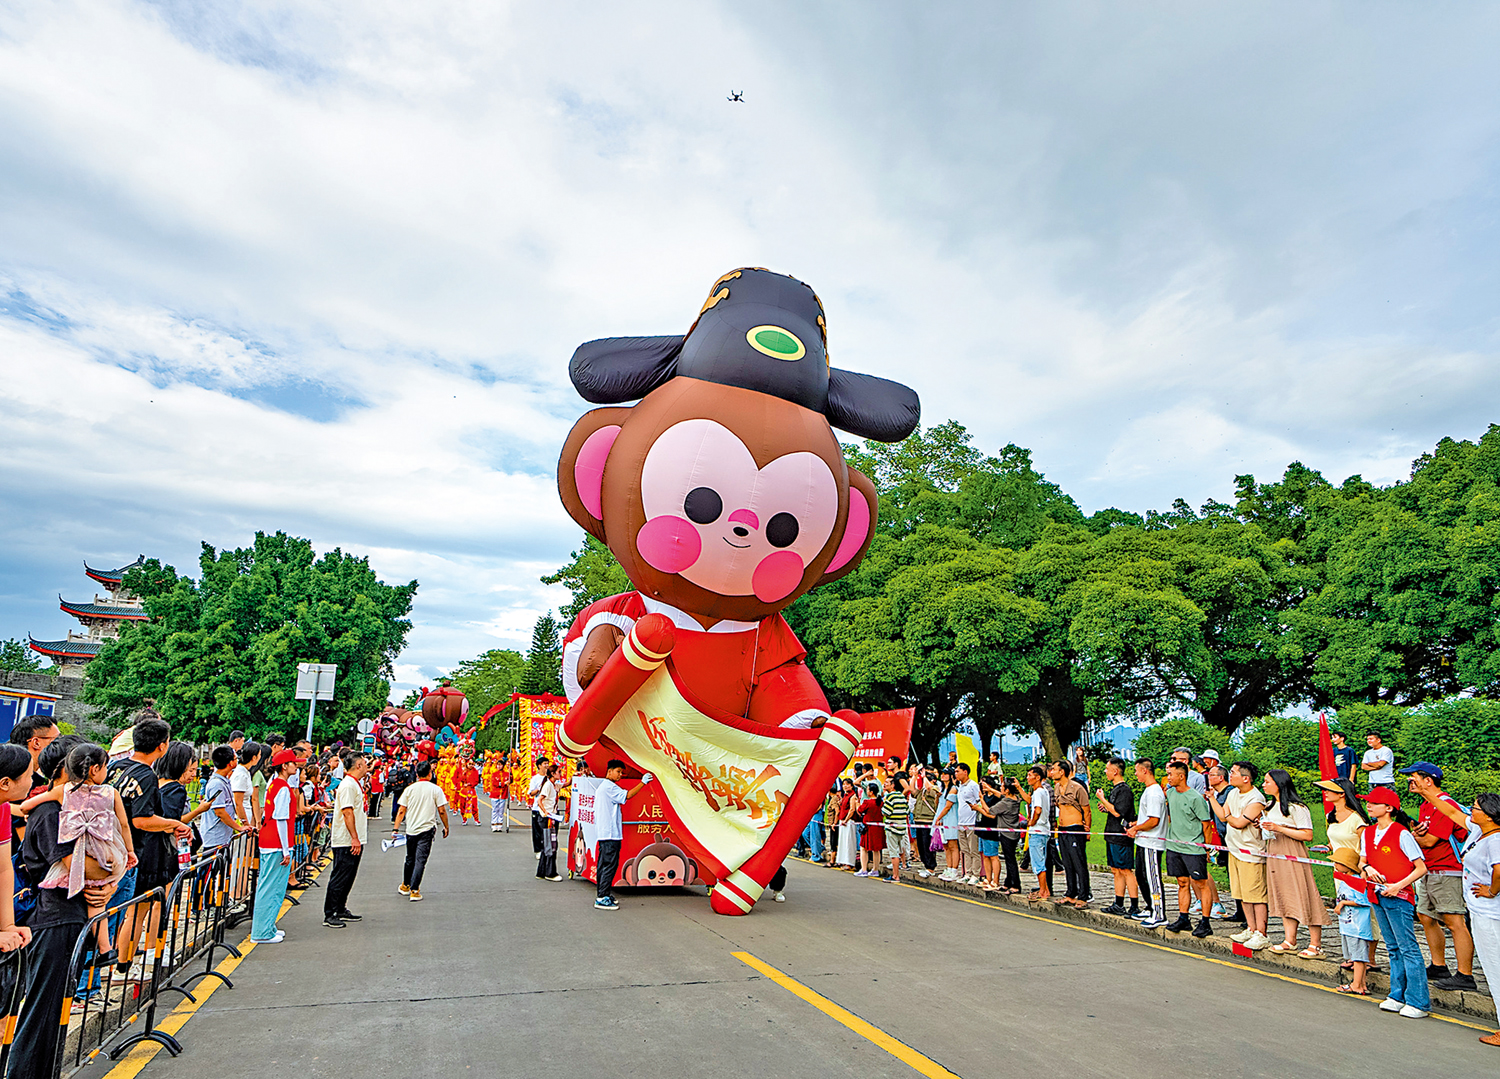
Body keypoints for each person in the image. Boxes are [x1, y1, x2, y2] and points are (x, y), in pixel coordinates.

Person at [10, 737, 111, 1079]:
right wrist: (111, 875)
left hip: (69, 915)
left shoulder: (68, 808)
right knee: (42, 1012)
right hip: (53, 919)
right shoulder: (51, 812)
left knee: (55, 1012)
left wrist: (107, 885)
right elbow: (75, 867)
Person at [1414, 787, 1500, 1045]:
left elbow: (1499, 870)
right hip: (1481, 911)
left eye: (1474, 808)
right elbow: (1450, 810)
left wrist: (1492, 890)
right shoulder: (1478, 831)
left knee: (1495, 969)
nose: (1469, 810)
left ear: (1489, 814)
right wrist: (1426, 792)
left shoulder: (1495, 839)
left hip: (1490, 913)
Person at [107, 716, 192, 972]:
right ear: (162, 746)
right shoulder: (146, 776)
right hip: (134, 852)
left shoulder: (116, 768)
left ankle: (117, 966)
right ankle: (122, 966)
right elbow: (142, 820)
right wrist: (174, 825)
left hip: (110, 849)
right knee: (133, 913)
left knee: (121, 914)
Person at [1399, 762, 1476, 990]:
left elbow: (1432, 840)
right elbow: (1425, 835)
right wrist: (1415, 834)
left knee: (1454, 921)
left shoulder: (1444, 804)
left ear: (1427, 780)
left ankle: (1465, 974)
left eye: (1413, 777)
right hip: (1430, 869)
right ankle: (1439, 964)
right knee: (1425, 916)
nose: (1409, 782)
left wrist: (1410, 839)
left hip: (1448, 869)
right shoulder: (1426, 806)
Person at [1359, 786, 1429, 1018]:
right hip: (1376, 894)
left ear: (1389, 808)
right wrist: (1367, 868)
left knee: (1408, 947)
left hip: (1399, 897)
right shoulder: (1367, 833)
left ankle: (1418, 1001)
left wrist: (1398, 885)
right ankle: (1397, 994)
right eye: (1368, 802)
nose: (1369, 805)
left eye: (1374, 802)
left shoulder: (1401, 833)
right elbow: (1362, 863)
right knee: (1393, 947)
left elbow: (1421, 867)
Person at [1259, 769, 1327, 957]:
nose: (1264, 785)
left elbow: (1308, 835)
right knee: (1283, 893)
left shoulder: (1298, 808)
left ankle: (1316, 943)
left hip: (1292, 852)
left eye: (1267, 781)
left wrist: (1279, 828)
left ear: (1279, 784)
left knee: (1304, 892)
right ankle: (1290, 939)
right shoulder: (1269, 806)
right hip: (1274, 850)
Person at [1214, 762, 1270, 950]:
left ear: (1246, 778)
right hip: (1234, 849)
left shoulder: (1256, 799)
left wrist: (1229, 816)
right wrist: (1213, 800)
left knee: (1256, 894)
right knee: (1242, 894)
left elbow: (1238, 823)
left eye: (1233, 772)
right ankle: (1251, 927)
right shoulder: (1232, 793)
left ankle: (1261, 932)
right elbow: (1223, 815)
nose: (1231, 775)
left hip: (1251, 852)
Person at [250, 748, 301, 944]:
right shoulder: (282, 788)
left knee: (270, 886)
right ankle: (262, 932)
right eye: (293, 763)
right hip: (277, 843)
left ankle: (267, 927)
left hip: (270, 840)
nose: (296, 766)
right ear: (285, 766)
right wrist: (287, 849)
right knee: (272, 888)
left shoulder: (275, 784)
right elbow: (281, 819)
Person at [591, 761, 653, 910]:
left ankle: (603, 893)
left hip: (605, 833)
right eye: (618, 771)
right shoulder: (609, 787)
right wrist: (642, 782)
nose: (620, 775)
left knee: (604, 865)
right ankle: (602, 897)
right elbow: (628, 795)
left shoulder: (604, 787)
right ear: (610, 771)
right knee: (609, 866)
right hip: (611, 834)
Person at [1162, 760, 1214, 937]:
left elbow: (1206, 824)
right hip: (1174, 846)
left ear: (1181, 776)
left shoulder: (1196, 798)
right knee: (1182, 882)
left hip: (1193, 847)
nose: (1168, 777)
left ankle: (1205, 922)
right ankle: (1183, 918)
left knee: (1200, 884)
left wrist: (1206, 848)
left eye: (1171, 774)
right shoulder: (1170, 793)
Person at [324, 751, 369, 929]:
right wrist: (354, 837)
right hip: (346, 839)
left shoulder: (354, 784)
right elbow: (347, 812)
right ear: (358, 765)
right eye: (364, 763)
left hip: (352, 838)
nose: (367, 766)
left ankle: (341, 907)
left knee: (349, 875)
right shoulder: (348, 785)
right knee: (340, 875)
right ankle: (330, 912)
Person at [395, 760, 450, 900]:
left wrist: (396, 828)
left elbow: (401, 810)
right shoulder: (435, 789)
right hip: (427, 829)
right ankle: (414, 890)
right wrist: (446, 826)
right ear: (430, 773)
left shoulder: (410, 789)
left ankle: (406, 885)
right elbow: (442, 810)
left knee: (410, 858)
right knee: (421, 860)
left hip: (411, 829)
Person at [1126, 759, 1167, 927]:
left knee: (1152, 879)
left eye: (1136, 770)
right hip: (1143, 841)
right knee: (1142, 876)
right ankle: (1150, 907)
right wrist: (1136, 824)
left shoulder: (1154, 793)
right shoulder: (1149, 791)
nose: (1135, 774)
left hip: (1152, 842)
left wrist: (1137, 828)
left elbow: (1153, 821)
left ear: (1145, 771)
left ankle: (1159, 913)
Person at [1096, 757, 1138, 916]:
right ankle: (1118, 902)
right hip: (1111, 834)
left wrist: (1102, 799)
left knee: (1126, 869)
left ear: (1115, 771)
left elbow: (1118, 812)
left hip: (1121, 835)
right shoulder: (1116, 789)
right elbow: (1113, 809)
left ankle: (1134, 905)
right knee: (1116, 870)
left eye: (1107, 768)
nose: (1105, 771)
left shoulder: (1124, 790)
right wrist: (1105, 806)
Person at [1331, 846, 1375, 996]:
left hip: (1357, 927)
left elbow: (1363, 901)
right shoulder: (1346, 880)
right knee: (1357, 957)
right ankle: (1361, 984)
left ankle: (1356, 984)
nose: (1335, 865)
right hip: (1349, 925)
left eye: (1337, 862)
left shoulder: (1356, 882)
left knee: (1358, 957)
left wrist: (1343, 903)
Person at [1048, 759, 1090, 907]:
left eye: (1054, 769)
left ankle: (1084, 895)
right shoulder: (1058, 787)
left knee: (1078, 862)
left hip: (1075, 828)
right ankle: (1070, 892)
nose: (1051, 772)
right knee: (1067, 862)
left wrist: (1087, 829)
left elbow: (1087, 810)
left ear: (1062, 771)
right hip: (1063, 829)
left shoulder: (1077, 787)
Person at [195, 746, 241, 853]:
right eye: (235, 758)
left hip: (223, 837)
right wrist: (239, 828)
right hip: (215, 838)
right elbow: (220, 812)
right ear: (230, 763)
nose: (237, 760)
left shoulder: (224, 780)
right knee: (211, 868)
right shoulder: (217, 784)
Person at [942, 763, 982, 885]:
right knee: (965, 850)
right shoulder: (959, 787)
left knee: (973, 850)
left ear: (965, 772)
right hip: (961, 823)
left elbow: (979, 801)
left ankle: (976, 874)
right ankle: (967, 873)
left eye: (958, 771)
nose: (956, 774)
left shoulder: (973, 785)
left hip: (971, 823)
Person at [1025, 765, 1053, 900]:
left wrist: (1031, 821)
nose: (1028, 778)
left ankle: (1043, 890)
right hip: (1044, 830)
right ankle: (1045, 888)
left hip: (1037, 830)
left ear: (1037, 777)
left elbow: (1037, 810)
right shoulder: (1044, 791)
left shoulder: (1038, 792)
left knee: (1038, 863)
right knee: (1041, 860)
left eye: (1030, 775)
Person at [534, 764, 564, 882]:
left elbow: (566, 784)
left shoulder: (554, 785)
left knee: (546, 845)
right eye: (559, 772)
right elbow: (539, 799)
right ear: (552, 773)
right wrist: (545, 811)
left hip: (552, 817)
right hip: (548, 818)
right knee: (551, 845)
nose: (560, 774)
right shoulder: (547, 785)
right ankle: (550, 873)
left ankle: (542, 871)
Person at [881, 772, 911, 883]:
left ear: (893, 785)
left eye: (888, 783)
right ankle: (902, 867)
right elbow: (907, 811)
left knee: (893, 853)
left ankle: (895, 876)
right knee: (901, 850)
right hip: (902, 827)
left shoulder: (890, 797)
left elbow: (885, 812)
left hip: (892, 828)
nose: (885, 785)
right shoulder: (902, 797)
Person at [909, 775, 939, 877]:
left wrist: (924, 776)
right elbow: (912, 789)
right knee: (921, 845)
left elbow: (930, 787)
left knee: (927, 845)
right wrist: (914, 775)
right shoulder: (921, 791)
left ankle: (931, 867)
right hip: (918, 820)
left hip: (928, 820)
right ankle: (926, 865)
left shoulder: (935, 789)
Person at [856, 780, 885, 878]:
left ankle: (864, 869)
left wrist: (857, 804)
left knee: (863, 848)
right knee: (876, 850)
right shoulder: (880, 802)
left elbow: (859, 810)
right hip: (878, 828)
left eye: (867, 790)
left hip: (868, 828)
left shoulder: (867, 802)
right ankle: (875, 869)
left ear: (871, 792)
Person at [231, 742, 260, 828]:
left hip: (246, 815)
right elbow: (238, 802)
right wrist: (245, 823)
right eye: (259, 755)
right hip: (241, 820)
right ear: (254, 757)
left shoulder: (245, 772)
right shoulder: (241, 774)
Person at [834, 778, 860, 870]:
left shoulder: (853, 796)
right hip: (843, 820)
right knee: (843, 842)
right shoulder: (845, 795)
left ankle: (849, 862)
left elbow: (852, 809)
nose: (845, 786)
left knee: (849, 842)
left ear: (851, 786)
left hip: (849, 821)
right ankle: (842, 860)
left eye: (847, 784)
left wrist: (846, 819)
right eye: (844, 784)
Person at [528, 756, 549, 858]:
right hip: (537, 808)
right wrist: (539, 789)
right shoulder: (535, 778)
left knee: (547, 830)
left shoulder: (551, 777)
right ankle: (538, 850)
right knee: (537, 831)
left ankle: (546, 849)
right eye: (544, 764)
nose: (547, 765)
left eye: (547, 763)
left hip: (548, 809)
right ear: (539, 766)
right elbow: (531, 793)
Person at [487, 753, 512, 833]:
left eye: (500, 765)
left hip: (503, 795)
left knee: (501, 810)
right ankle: (494, 825)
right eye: (498, 765)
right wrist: (503, 783)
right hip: (495, 794)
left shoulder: (506, 773)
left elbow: (511, 780)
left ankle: (499, 825)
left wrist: (509, 779)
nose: (499, 766)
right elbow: (495, 783)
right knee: (495, 810)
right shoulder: (494, 774)